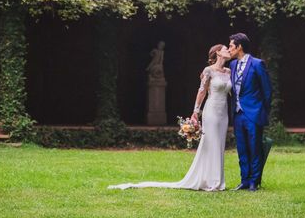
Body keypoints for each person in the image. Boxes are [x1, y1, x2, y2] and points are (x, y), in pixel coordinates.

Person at [109, 44, 232, 191]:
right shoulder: (208, 71)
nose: (228, 51)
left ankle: (218, 180)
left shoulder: (228, 71)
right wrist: (195, 112)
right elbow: (202, 91)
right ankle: (211, 181)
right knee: (211, 143)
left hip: (223, 112)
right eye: (225, 49)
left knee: (219, 144)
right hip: (211, 111)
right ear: (218, 52)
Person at [228, 33, 272, 192]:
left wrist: (262, 110)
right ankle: (244, 180)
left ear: (239, 47)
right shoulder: (232, 65)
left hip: (254, 113)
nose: (229, 49)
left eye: (231, 46)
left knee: (254, 148)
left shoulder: (257, 64)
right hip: (237, 113)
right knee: (242, 148)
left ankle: (254, 181)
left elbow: (267, 90)